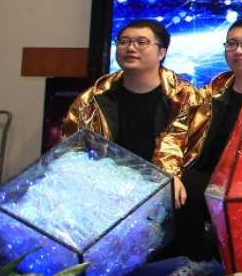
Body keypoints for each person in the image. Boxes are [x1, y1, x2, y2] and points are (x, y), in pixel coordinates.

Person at [153, 18, 242, 276]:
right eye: (232, 44)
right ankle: (199, 261)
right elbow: (173, 135)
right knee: (182, 185)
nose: (239, 50)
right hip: (214, 177)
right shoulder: (208, 96)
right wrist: (171, 175)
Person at [61, 18, 200, 173]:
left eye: (141, 42)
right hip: (107, 181)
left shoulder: (186, 98)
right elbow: (72, 151)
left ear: (162, 52)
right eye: (123, 42)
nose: (131, 48)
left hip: (171, 182)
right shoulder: (91, 100)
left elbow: (197, 154)